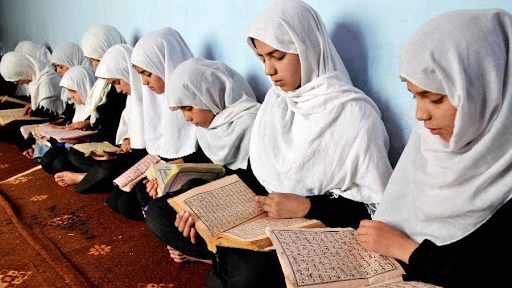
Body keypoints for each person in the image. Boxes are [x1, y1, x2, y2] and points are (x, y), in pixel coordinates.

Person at [169, 1, 391, 287]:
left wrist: (307, 206)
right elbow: (260, 176)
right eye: (262, 58)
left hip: (323, 226)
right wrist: (201, 204)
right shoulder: (276, 103)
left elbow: (369, 209)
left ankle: (218, 262)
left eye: (278, 56)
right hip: (273, 218)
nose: (268, 70)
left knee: (246, 272)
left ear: (308, 48)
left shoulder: (353, 114)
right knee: (178, 219)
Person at [356, 9, 512, 288]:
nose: (420, 115)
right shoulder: (428, 144)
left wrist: (406, 250)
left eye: (435, 99)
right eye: (414, 96)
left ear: (487, 88)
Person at [144, 58, 263, 263]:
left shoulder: (254, 122)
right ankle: (217, 256)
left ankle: (208, 258)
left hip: (253, 205)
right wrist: (175, 171)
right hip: (218, 197)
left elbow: (258, 186)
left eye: (188, 108)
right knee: (157, 211)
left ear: (210, 95)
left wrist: (201, 201)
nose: (186, 118)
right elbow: (207, 161)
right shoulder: (210, 127)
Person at [106, 27, 200, 220]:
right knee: (122, 196)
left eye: (147, 74)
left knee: (131, 203)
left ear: (164, 64)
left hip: (191, 168)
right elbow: (158, 147)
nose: (144, 82)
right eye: (140, 75)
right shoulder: (154, 99)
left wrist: (172, 166)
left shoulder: (196, 94)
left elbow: (203, 151)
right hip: (165, 165)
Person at [54, 44, 147, 194]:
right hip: (120, 152)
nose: (118, 89)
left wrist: (117, 151)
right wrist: (125, 140)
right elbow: (122, 130)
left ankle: (86, 177)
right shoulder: (128, 97)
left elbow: (146, 148)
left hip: (137, 159)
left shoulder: (141, 98)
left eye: (96, 59)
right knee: (74, 155)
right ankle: (98, 175)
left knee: (120, 195)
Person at [0, 51, 64, 147]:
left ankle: (26, 147)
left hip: (55, 120)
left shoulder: (46, 82)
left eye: (17, 80)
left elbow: (48, 114)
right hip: (43, 114)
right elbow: (37, 102)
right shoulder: (36, 76)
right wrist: (32, 106)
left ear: (23, 71)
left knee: (11, 128)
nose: (16, 83)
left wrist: (32, 112)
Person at [40, 65, 95, 174]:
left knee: (58, 166)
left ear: (85, 86)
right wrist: (58, 129)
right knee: (46, 161)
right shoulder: (78, 105)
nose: (70, 96)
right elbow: (70, 124)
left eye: (73, 91)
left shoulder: (97, 109)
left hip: (85, 150)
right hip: (69, 146)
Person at [50, 42, 91, 125]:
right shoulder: (70, 86)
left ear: (72, 61)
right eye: (56, 67)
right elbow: (68, 114)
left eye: (61, 66)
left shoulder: (85, 80)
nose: (57, 71)